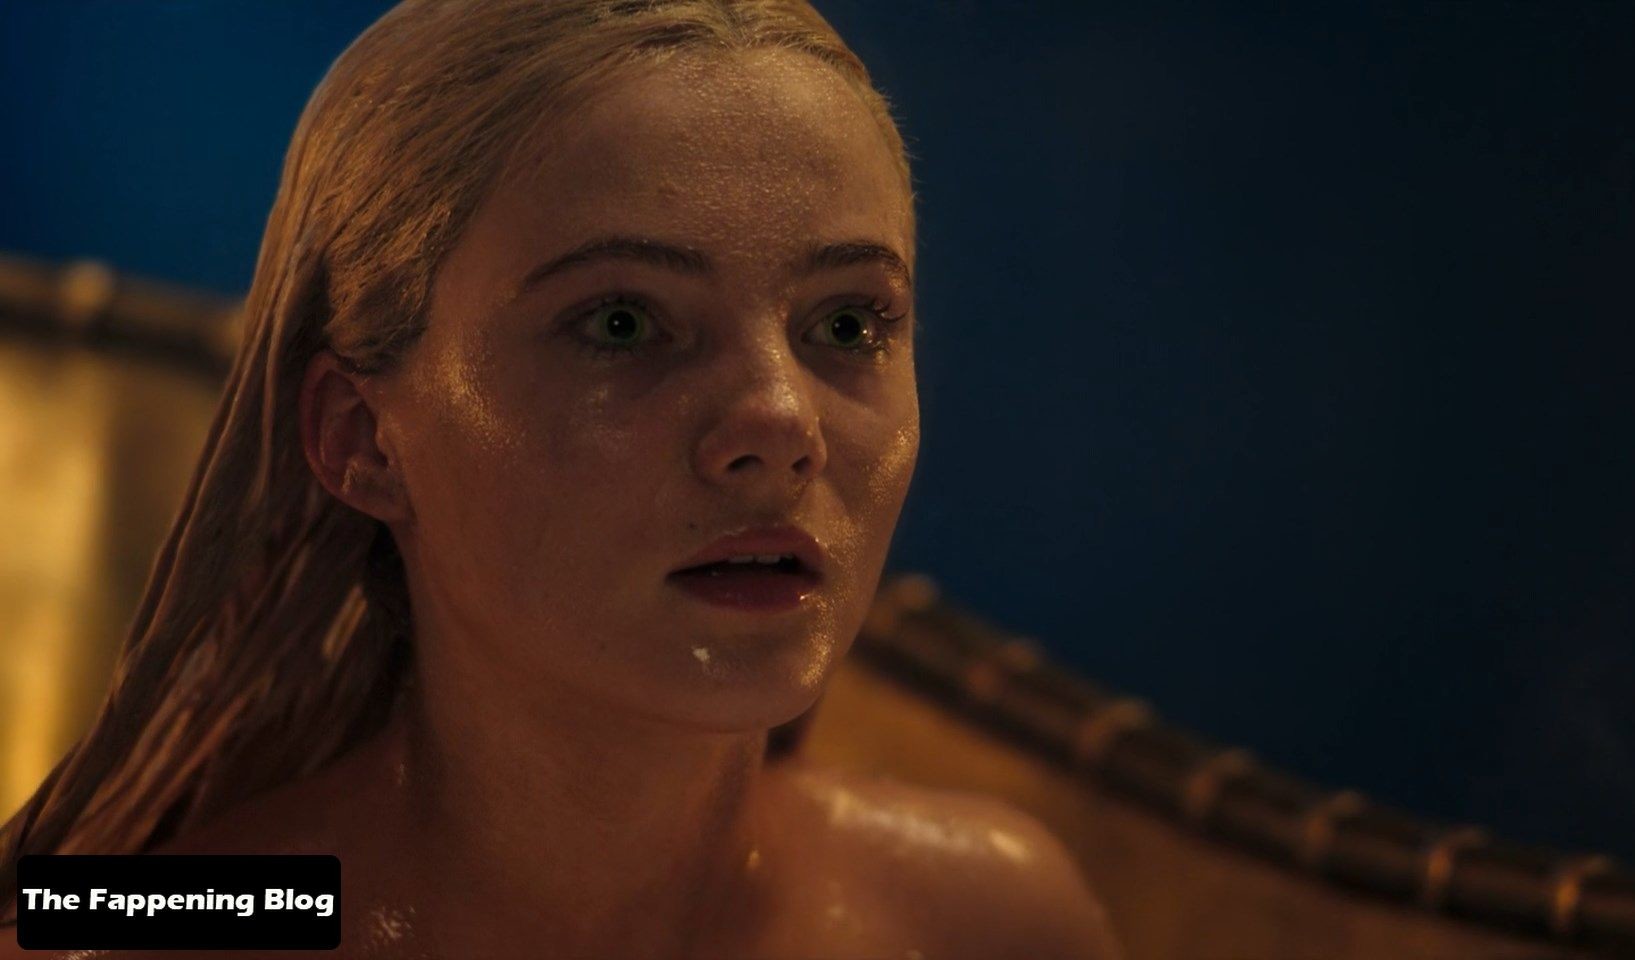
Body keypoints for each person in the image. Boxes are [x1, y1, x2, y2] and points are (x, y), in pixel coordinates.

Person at [0, 1, 1121, 956]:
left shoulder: (978, 917)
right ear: (362, 438)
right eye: (622, 322)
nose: (782, 425)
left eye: (848, 323)